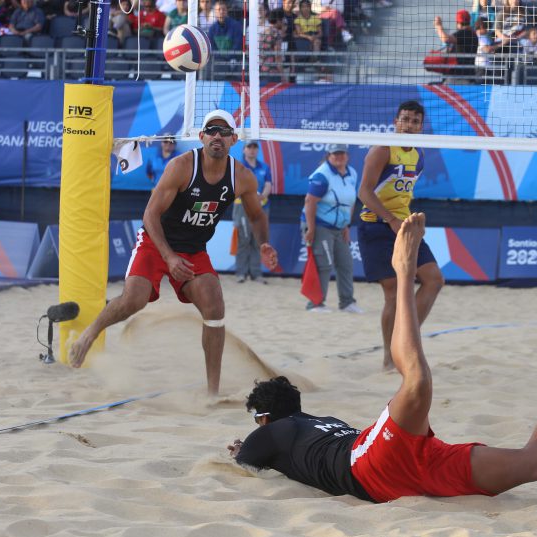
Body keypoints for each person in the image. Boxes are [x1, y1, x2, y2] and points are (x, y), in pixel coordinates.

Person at [229, 212, 537, 503]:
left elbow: (244, 464)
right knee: (531, 464)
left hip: (373, 468)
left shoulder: (272, 431)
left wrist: (240, 448)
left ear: (263, 418)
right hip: (409, 462)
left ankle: (403, 268)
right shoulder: (316, 424)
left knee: (417, 382)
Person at [69, 110, 279, 395]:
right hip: (156, 243)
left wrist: (264, 243)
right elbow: (150, 215)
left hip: (193, 249)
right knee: (134, 299)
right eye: (211, 130)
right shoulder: (181, 167)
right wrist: (168, 256)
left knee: (215, 307)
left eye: (223, 131)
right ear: (201, 136)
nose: (217, 136)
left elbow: (256, 216)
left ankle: (212, 392)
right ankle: (91, 332)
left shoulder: (242, 176)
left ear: (233, 139)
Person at [357, 100, 443, 371]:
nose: (409, 125)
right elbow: (364, 192)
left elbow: (401, 193)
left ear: (421, 126)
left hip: (402, 225)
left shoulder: (417, 155)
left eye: (415, 121)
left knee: (434, 279)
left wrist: (405, 221)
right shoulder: (383, 148)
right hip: (376, 225)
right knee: (393, 292)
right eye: (405, 119)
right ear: (395, 121)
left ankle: (404, 339)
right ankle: (389, 356)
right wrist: (391, 219)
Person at [300, 143, 362, 314]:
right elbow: (310, 202)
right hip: (319, 225)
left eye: (341, 153)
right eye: (335, 153)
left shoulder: (352, 174)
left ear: (347, 155)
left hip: (340, 227)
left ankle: (347, 302)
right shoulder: (322, 175)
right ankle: (315, 304)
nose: (338, 156)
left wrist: (346, 225)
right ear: (328, 155)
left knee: (346, 263)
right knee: (324, 264)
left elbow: (351, 201)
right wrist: (311, 229)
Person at [233, 140, 272, 284]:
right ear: (244, 150)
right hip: (242, 206)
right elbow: (234, 186)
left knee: (259, 241)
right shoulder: (238, 167)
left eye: (255, 147)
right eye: (249, 147)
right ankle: (241, 273)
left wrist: (263, 195)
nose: (252, 150)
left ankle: (256, 274)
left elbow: (268, 184)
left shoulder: (264, 167)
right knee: (243, 239)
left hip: (261, 206)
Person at [433, 9, 479, 78]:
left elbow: (445, 39)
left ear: (458, 23)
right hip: (468, 73)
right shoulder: (472, 33)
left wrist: (438, 26)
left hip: (459, 76)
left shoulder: (463, 33)